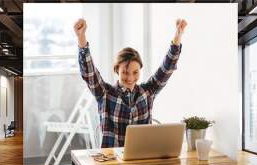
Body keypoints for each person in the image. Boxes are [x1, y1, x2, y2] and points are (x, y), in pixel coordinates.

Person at [74, 18, 187, 148]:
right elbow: (89, 72)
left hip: (142, 159)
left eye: (135, 72)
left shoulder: (148, 92)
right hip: (112, 163)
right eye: (125, 72)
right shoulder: (105, 93)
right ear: (117, 70)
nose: (130, 78)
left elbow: (167, 68)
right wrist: (81, 37)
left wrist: (178, 35)